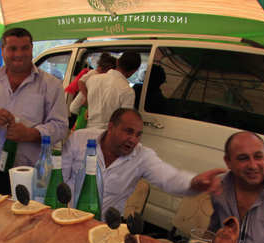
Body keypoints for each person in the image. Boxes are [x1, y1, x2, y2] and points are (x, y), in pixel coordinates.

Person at [0, 27, 68, 194]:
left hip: (33, 176)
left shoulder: (52, 85)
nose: (19, 54)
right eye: (12, 48)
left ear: (32, 49)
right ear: (2, 50)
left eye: (24, 48)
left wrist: (30, 134)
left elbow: (61, 127)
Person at [62, 108, 223, 217]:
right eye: (128, 132)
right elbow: (56, 180)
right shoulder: (80, 139)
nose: (133, 140)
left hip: (101, 227)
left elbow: (169, 178)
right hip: (64, 217)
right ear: (111, 127)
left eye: (138, 135)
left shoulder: (142, 156)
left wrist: (194, 182)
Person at [84, 51, 141, 129]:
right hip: (109, 135)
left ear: (117, 62)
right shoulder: (127, 91)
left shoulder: (92, 79)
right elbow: (125, 120)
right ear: (135, 71)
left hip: (89, 130)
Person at [69, 53, 116, 117]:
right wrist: (87, 97)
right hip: (80, 107)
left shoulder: (100, 76)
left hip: (85, 106)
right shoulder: (93, 73)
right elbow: (80, 82)